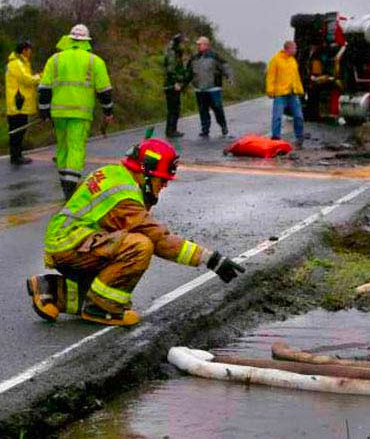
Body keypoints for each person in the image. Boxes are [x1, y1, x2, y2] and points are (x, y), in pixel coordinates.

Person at [26, 137, 245, 326]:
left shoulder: (116, 175)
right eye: (162, 179)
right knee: (140, 245)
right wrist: (211, 259)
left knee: (111, 278)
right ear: (146, 173)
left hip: (71, 241)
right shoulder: (124, 197)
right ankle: (102, 308)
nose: (164, 186)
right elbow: (159, 239)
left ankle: (50, 289)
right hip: (71, 243)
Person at [38, 24, 114, 199]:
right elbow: (104, 91)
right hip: (80, 113)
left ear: (69, 39)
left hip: (58, 113)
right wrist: (108, 111)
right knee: (76, 147)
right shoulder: (94, 61)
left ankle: (65, 182)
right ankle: (70, 188)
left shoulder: (55, 59)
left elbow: (44, 88)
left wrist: (44, 111)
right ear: (86, 41)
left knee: (63, 147)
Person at [186, 36, 234, 138]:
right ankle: (205, 130)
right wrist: (182, 84)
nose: (198, 46)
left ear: (206, 45)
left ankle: (223, 127)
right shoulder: (194, 58)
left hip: (213, 89)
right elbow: (188, 73)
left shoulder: (214, 56)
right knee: (203, 110)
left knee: (217, 108)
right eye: (197, 44)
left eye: (200, 44)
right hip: (199, 89)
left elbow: (225, 66)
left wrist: (229, 77)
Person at [5, 40, 40, 164]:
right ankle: (15, 156)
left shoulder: (21, 63)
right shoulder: (16, 63)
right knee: (17, 131)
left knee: (20, 130)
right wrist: (40, 77)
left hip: (20, 104)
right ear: (24, 50)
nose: (30, 52)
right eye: (29, 50)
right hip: (18, 104)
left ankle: (17, 155)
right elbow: (27, 80)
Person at [266, 41, 305, 149]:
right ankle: (275, 139)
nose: (296, 50)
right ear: (287, 49)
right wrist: (270, 90)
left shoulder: (293, 61)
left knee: (299, 116)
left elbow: (296, 77)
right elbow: (271, 76)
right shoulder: (276, 60)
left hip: (293, 93)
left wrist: (300, 89)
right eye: (294, 48)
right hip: (280, 94)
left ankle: (299, 138)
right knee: (277, 116)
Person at [163, 33, 188, 138]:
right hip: (172, 85)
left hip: (172, 84)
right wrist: (176, 82)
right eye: (182, 42)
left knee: (174, 108)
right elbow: (170, 70)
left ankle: (172, 130)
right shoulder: (173, 53)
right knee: (174, 109)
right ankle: (171, 131)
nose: (184, 45)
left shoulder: (176, 52)